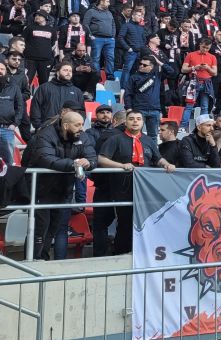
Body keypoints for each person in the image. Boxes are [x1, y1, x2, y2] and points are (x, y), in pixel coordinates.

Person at [95, 111, 175, 255]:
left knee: (145, 223)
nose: (135, 122)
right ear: (125, 122)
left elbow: (158, 159)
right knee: (125, 223)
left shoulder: (149, 140)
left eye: (138, 119)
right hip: (122, 189)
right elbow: (101, 159)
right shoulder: (115, 139)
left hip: (145, 190)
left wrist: (167, 164)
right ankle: (121, 254)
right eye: (131, 119)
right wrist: (121, 166)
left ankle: (142, 254)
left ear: (143, 122)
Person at [25, 110, 95, 259]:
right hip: (41, 189)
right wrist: (73, 164)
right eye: (77, 125)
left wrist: (88, 162)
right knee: (39, 229)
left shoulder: (81, 136)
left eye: (82, 124)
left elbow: (92, 156)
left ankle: (43, 258)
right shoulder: (45, 135)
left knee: (53, 228)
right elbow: (46, 159)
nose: (81, 128)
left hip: (64, 190)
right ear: (65, 126)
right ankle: (32, 260)